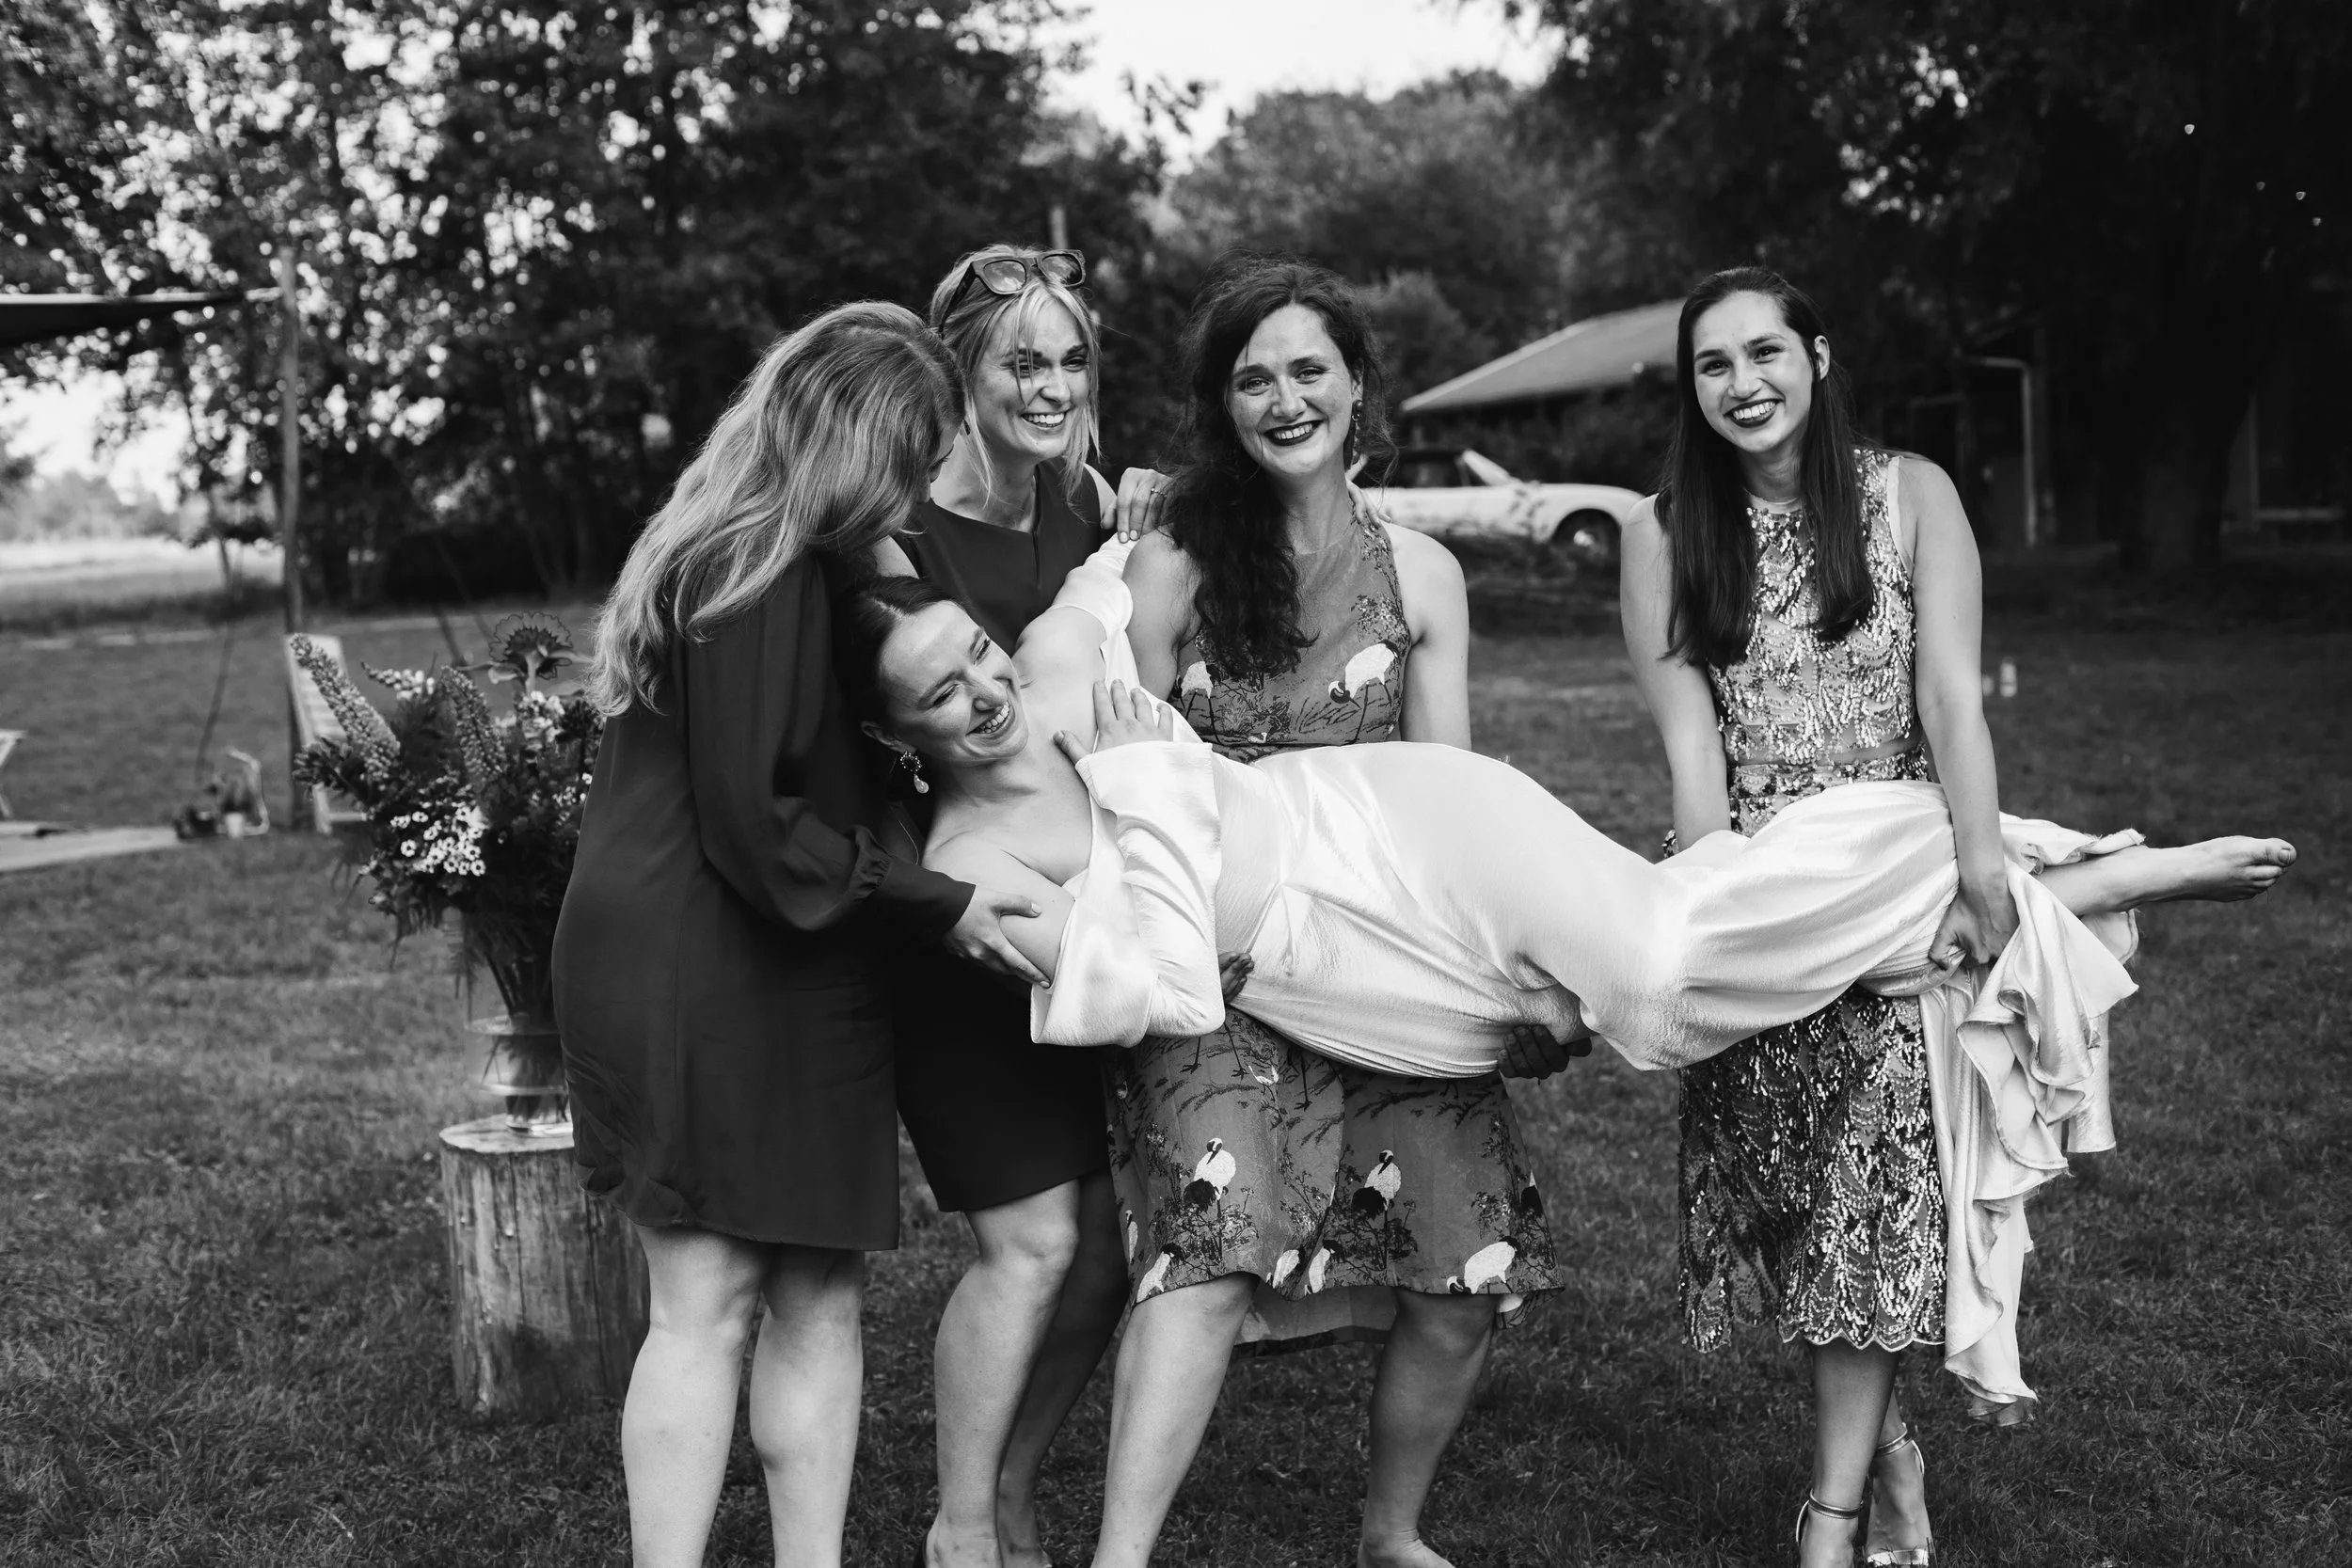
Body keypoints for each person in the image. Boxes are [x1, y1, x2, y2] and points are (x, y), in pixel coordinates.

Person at [1611, 265, 2278, 1565]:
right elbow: (1692, 759)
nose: (1744, 384)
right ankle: (2093, 884)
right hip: (1764, 870)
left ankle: (1838, 1513)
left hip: (1901, 834)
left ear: (1817, 354)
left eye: (1767, 353)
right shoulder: (1658, 533)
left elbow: (1954, 703)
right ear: (1691, 389)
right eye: (1713, 365)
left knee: (1869, 1216)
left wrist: (1977, 862)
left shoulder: (1908, 494)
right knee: (1811, 1223)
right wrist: (1732, 918)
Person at [551, 302, 1047, 1568]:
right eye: (913, 452)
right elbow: (759, 825)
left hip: (786, 953)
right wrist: (946, 904)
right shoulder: (750, 565)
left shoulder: (814, 549)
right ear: (858, 444)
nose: (923, 483)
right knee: (708, 1302)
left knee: (820, 1290)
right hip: (700, 954)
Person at [883, 244, 1143, 1568]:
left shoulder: (1085, 501)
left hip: (1076, 928)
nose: (1050, 385)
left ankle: (1018, 1486)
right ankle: (959, 1527)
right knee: (1033, 1242)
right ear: (959, 373)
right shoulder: (895, 529)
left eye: (1069, 359)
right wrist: (937, 897)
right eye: (1019, 361)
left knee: (1106, 1249)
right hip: (960, 933)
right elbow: (848, 754)